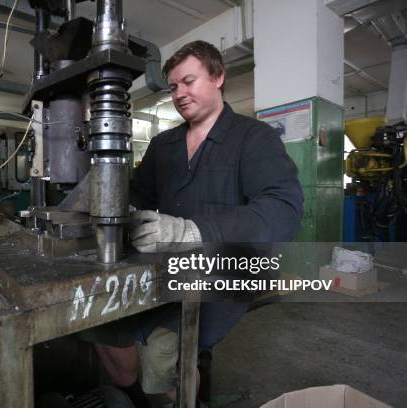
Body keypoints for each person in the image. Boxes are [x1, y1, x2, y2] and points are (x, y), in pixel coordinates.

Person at [94, 40, 303, 405]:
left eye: (189, 81)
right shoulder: (163, 145)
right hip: (169, 268)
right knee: (104, 322)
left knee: (161, 351)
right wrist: (114, 206)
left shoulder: (254, 138)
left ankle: (180, 396)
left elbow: (283, 210)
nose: (180, 93)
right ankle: (138, 389)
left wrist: (194, 231)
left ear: (218, 76)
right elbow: (140, 195)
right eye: (174, 86)